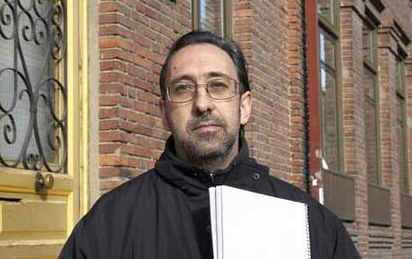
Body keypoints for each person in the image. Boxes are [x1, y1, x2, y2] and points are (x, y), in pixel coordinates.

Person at [59, 31, 361, 259]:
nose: (202, 103)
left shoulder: (313, 225)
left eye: (218, 86)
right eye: (183, 88)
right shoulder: (109, 224)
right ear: (164, 113)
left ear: (244, 107)